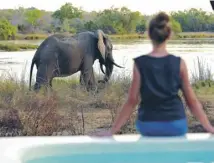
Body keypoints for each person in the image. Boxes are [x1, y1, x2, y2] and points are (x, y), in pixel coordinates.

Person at [92, 12, 214, 137]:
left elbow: (132, 101)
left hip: (148, 124)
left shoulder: (140, 63)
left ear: (149, 34)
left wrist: (112, 131)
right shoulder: (179, 63)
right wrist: (210, 128)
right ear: (169, 35)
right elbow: (191, 101)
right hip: (175, 123)